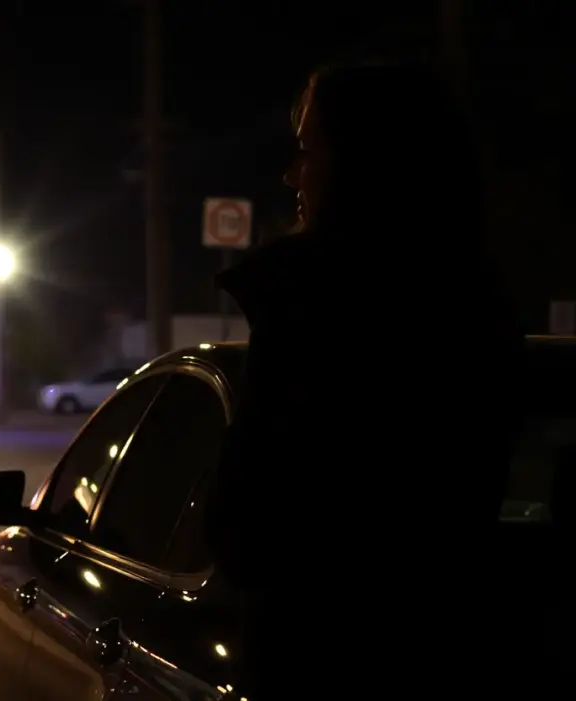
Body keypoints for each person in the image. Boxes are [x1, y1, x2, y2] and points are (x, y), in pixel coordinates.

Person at [208, 62, 526, 699]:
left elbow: (249, 524)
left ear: (366, 162)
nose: (291, 175)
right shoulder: (476, 314)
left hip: (315, 660)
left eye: (308, 149)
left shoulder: (309, 309)